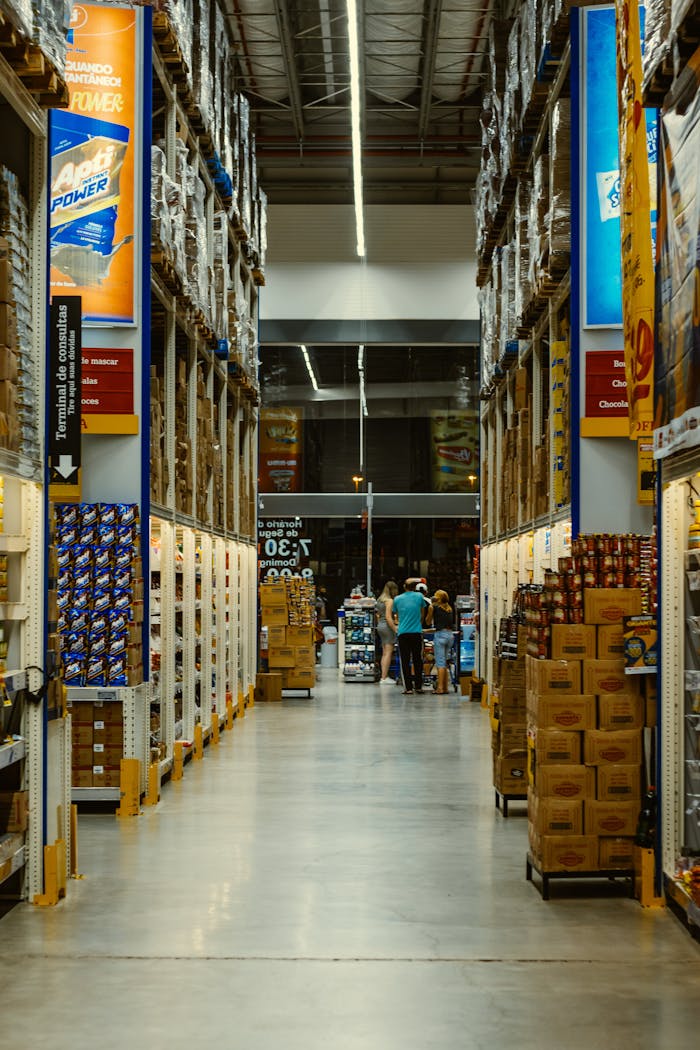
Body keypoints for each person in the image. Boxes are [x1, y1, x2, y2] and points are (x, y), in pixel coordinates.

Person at [391, 579, 429, 695]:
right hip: (416, 632)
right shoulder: (419, 597)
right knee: (417, 660)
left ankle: (408, 688)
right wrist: (418, 622)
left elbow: (395, 613)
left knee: (405, 660)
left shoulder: (397, 599)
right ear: (415, 587)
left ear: (404, 586)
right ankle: (418, 686)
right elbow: (422, 613)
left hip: (403, 632)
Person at [430, 589, 454, 694]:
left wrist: (430, 608)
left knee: (440, 663)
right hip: (450, 635)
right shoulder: (450, 609)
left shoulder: (434, 608)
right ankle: (445, 687)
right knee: (445, 662)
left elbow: (427, 620)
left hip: (440, 635)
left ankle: (439, 688)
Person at [375, 580, 398, 684]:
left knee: (384, 652)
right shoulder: (389, 601)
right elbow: (389, 617)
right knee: (388, 653)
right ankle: (384, 677)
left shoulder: (380, 600)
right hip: (387, 627)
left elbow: (377, 615)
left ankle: (383, 676)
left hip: (380, 626)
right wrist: (395, 629)